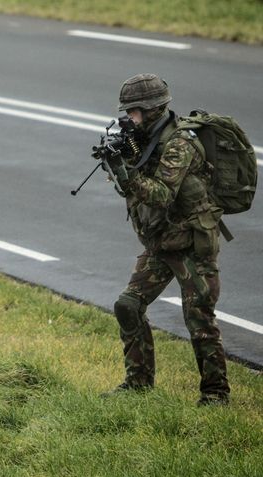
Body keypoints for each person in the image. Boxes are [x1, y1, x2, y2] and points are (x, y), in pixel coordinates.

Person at [104, 74, 229, 405]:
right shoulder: (143, 141)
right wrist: (120, 161)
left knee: (198, 319)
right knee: (128, 305)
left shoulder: (180, 144)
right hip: (161, 243)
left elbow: (160, 194)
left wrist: (126, 173)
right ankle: (138, 383)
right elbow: (136, 193)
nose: (128, 119)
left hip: (191, 244)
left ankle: (216, 394)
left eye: (133, 112)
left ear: (152, 109)